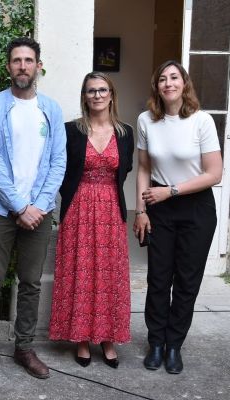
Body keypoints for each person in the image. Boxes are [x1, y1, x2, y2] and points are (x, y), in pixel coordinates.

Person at [0, 37, 66, 381]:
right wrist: (19, 206)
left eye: (29, 60)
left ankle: (24, 347)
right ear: (8, 66)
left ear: (38, 66)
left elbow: (58, 161)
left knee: (30, 283)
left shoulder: (51, 109)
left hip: (39, 213)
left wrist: (38, 206)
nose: (23, 66)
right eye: (17, 60)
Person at [134, 60, 222, 374]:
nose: (168, 83)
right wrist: (141, 211)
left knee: (186, 281)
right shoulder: (146, 120)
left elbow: (214, 173)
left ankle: (174, 345)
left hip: (196, 208)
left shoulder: (202, 121)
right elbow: (144, 168)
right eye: (162, 79)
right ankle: (156, 343)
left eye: (174, 77)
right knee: (158, 279)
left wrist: (170, 191)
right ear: (156, 86)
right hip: (159, 207)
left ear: (184, 83)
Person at [48, 72, 134, 368]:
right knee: (80, 272)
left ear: (111, 95)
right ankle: (82, 339)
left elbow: (126, 168)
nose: (97, 95)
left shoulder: (125, 132)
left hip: (111, 209)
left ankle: (108, 338)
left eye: (102, 90)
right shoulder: (71, 130)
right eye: (91, 90)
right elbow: (59, 167)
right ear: (84, 97)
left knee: (110, 275)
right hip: (79, 209)